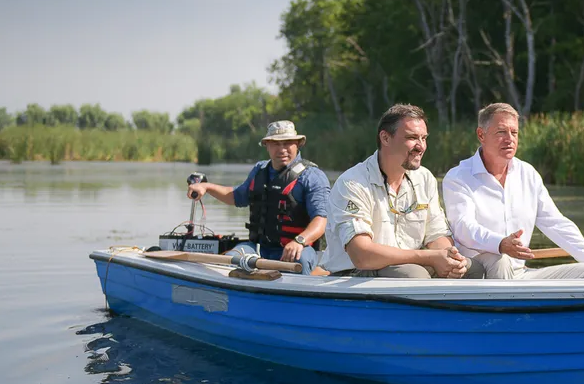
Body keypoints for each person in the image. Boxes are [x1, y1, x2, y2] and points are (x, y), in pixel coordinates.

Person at [443, 102, 584, 279]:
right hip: (478, 275)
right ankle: (505, 313)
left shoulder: (528, 174)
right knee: (499, 259)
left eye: (514, 132)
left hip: (521, 274)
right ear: (481, 135)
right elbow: (463, 228)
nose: (509, 139)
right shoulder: (458, 177)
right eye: (501, 132)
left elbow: (556, 224)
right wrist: (500, 243)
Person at [321, 104, 484, 279]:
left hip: (409, 266)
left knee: (473, 268)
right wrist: (429, 258)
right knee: (414, 275)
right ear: (385, 138)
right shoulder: (352, 183)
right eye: (412, 137)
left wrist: (449, 257)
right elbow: (361, 255)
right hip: (356, 273)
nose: (421, 146)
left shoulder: (424, 178)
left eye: (424, 138)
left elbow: (437, 235)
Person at [186, 120, 329, 274]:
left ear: (298, 144)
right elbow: (235, 196)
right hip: (258, 248)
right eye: (276, 143)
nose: (282, 149)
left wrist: (299, 241)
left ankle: (309, 280)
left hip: (298, 248)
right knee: (228, 263)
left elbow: (321, 221)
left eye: (287, 143)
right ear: (267, 145)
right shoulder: (259, 170)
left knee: (298, 263)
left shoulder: (313, 176)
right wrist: (206, 187)